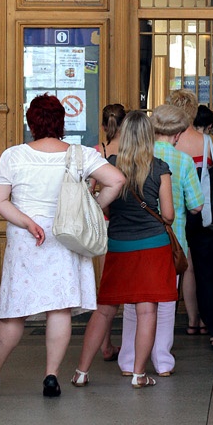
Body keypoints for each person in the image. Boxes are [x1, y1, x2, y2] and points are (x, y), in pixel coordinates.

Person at [0, 94, 125, 398]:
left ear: (31, 122)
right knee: (59, 308)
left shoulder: (15, 155)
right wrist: (91, 208)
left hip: (27, 241)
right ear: (61, 122)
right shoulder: (79, 154)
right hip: (67, 236)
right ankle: (51, 376)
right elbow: (116, 180)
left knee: (14, 311)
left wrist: (27, 222)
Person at [73, 110, 176, 387]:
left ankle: (81, 372)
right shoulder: (160, 168)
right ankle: (139, 374)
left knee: (104, 309)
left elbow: (101, 206)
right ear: (149, 136)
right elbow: (168, 215)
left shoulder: (110, 165)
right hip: (153, 246)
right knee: (147, 311)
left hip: (118, 244)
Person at [114, 103, 203, 377]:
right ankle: (162, 360)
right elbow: (197, 206)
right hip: (169, 241)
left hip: (132, 239)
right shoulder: (183, 161)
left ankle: (128, 360)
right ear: (177, 134)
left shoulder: (135, 157)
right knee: (164, 303)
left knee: (134, 302)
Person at [176, 104, 213, 351]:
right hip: (204, 214)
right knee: (207, 273)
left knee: (183, 269)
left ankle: (191, 322)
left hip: (176, 215)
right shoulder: (212, 144)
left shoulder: (169, 144)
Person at [165, 88, 203, 334]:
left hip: (158, 222)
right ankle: (193, 319)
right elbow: (197, 205)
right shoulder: (205, 143)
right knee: (186, 266)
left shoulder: (153, 148)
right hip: (189, 219)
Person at [94, 101, 126, 361]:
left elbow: (91, 187)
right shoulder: (132, 150)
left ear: (104, 125)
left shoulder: (98, 151)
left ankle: (106, 343)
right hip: (129, 222)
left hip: (104, 224)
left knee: (106, 287)